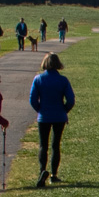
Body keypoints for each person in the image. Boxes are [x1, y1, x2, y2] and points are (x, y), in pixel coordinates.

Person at [28, 52, 75, 187]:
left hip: (44, 116)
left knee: (43, 145)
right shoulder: (63, 80)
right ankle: (54, 174)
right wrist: (64, 110)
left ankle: (42, 170)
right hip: (59, 115)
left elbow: (32, 99)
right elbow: (71, 100)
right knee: (56, 145)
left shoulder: (38, 79)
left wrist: (40, 109)